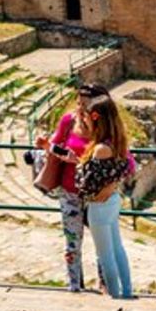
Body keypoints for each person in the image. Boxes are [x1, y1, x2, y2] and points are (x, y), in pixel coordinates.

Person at [35, 82, 104, 292]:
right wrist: (48, 147)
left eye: (86, 104)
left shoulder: (105, 126)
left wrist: (81, 160)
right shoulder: (68, 121)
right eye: (79, 103)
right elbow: (53, 147)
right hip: (70, 191)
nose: (81, 108)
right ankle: (74, 285)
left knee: (102, 242)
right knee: (72, 241)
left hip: (96, 194)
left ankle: (105, 284)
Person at [74, 94, 134, 300]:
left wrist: (81, 170)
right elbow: (124, 168)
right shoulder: (116, 142)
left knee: (105, 254)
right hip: (112, 201)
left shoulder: (100, 149)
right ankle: (127, 291)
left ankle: (116, 295)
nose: (86, 122)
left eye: (88, 118)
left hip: (99, 206)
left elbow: (88, 183)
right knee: (117, 248)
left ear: (97, 119)